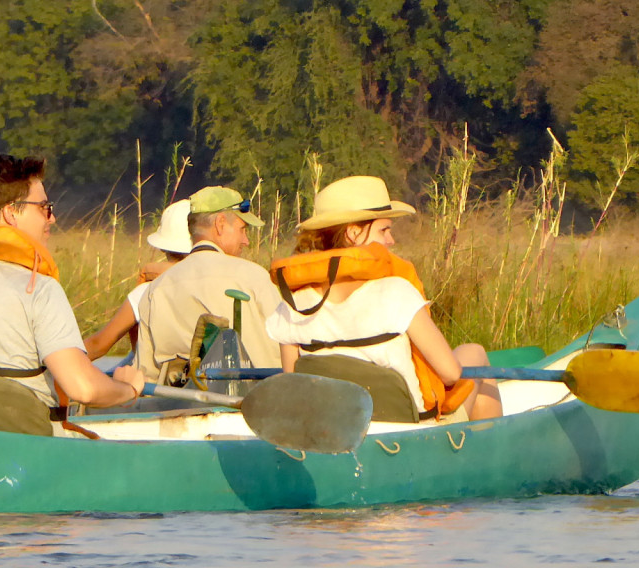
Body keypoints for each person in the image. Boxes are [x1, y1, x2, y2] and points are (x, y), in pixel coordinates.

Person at [0, 153, 145, 436]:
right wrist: (128, 388)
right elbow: (84, 388)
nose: (52, 218)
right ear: (11, 212)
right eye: (44, 207)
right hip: (26, 452)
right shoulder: (39, 289)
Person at [266, 175, 502, 422]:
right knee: (473, 352)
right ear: (354, 233)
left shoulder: (293, 303)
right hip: (410, 430)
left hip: (336, 429)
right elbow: (451, 374)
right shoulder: (396, 292)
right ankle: (486, 451)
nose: (391, 240)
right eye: (384, 230)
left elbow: (292, 383)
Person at [135, 186, 282, 382]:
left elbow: (145, 375)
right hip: (253, 401)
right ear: (220, 223)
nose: (245, 240)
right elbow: (283, 348)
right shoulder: (254, 276)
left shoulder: (155, 289)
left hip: (180, 404)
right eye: (242, 230)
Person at [83, 199, 192, 360]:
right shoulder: (219, 286)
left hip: (155, 378)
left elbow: (99, 345)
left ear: (163, 247)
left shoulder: (147, 291)